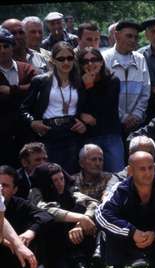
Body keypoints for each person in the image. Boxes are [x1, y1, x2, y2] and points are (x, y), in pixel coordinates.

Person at [20, 42, 88, 175]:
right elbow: (24, 108)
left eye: (70, 58)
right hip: (48, 131)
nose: (66, 62)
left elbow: (86, 107)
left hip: (72, 131)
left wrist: (83, 123)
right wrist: (32, 122)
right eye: (61, 59)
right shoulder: (41, 81)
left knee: (71, 173)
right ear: (53, 60)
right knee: (50, 173)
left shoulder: (79, 82)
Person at [29, 162, 98, 268]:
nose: (60, 183)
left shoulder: (69, 190)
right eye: (55, 180)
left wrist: (81, 222)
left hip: (72, 238)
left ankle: (82, 265)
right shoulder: (35, 193)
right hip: (49, 243)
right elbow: (47, 210)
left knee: (86, 213)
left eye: (61, 178)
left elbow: (92, 203)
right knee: (48, 221)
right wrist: (81, 218)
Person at [0, 165, 52, 268]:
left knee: (37, 230)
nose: (0, 188)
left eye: (5, 185)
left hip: (17, 254)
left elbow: (46, 216)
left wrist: (30, 232)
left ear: (14, 189)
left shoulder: (20, 204)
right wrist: (7, 242)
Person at [77, 46, 124, 172]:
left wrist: (90, 86)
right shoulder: (77, 83)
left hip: (110, 134)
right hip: (87, 136)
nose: (90, 63)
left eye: (94, 59)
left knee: (116, 173)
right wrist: (81, 115)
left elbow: (104, 108)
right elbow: (75, 107)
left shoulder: (113, 81)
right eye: (85, 61)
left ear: (101, 62)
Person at [102, 20, 151, 135]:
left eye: (135, 37)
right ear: (116, 35)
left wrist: (137, 114)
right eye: (129, 36)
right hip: (110, 123)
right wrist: (122, 117)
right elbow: (103, 93)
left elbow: (146, 90)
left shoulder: (140, 59)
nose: (133, 40)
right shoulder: (104, 58)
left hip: (137, 124)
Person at [0, 28, 36, 167]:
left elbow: (36, 89)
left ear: (12, 47)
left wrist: (11, 90)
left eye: (6, 46)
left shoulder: (27, 69)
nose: (2, 50)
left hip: (27, 133)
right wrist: (22, 92)